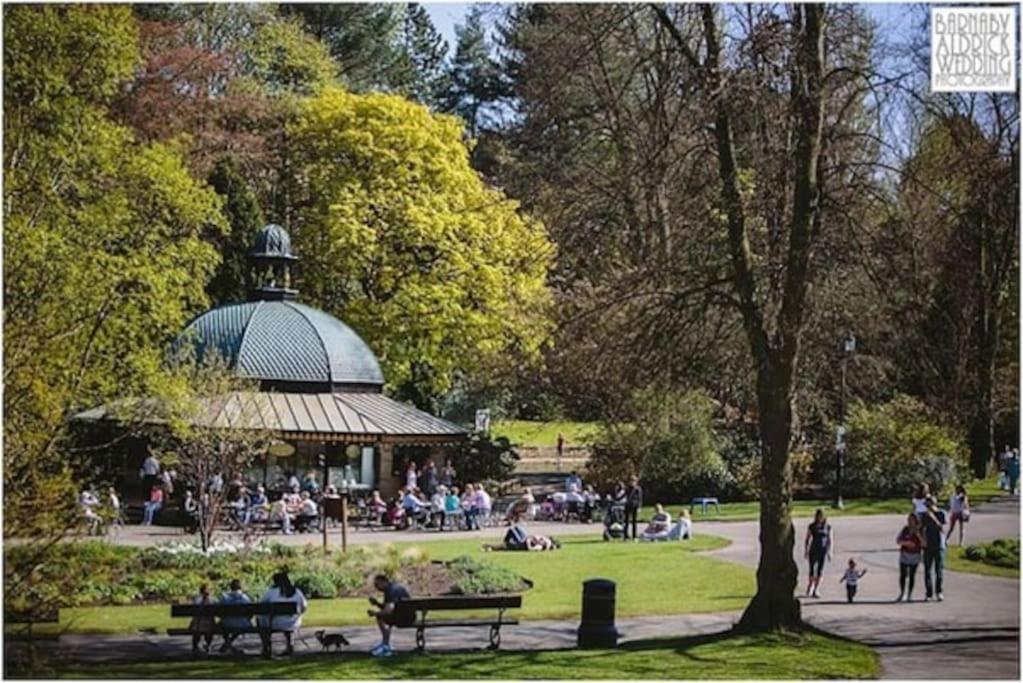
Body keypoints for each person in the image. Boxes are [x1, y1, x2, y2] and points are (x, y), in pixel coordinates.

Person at [258, 571, 307, 656]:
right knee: (286, 622)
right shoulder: (296, 591)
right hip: (293, 622)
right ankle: (290, 645)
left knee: (260, 621)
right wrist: (299, 614)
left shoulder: (271, 592)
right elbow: (304, 606)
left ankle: (266, 647)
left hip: (275, 623)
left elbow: (262, 605)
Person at [368, 573, 411, 657]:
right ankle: (385, 644)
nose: (376, 588)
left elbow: (388, 611)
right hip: (409, 616)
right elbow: (389, 608)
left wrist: (375, 613)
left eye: (377, 585)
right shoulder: (394, 587)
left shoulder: (391, 590)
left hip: (405, 619)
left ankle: (386, 645)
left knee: (380, 617)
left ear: (383, 582)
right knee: (384, 617)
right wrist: (377, 604)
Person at [920, 495, 946, 601]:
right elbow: (921, 528)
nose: (927, 507)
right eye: (926, 505)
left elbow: (941, 528)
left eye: (928, 505)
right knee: (927, 570)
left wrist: (933, 517)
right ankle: (929, 593)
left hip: (939, 545)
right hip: (928, 545)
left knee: (938, 570)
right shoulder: (924, 516)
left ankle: (939, 591)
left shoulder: (940, 514)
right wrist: (922, 540)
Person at [804, 509, 833, 598]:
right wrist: (806, 550)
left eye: (822, 516)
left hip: (822, 550)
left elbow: (829, 540)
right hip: (813, 550)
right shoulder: (812, 526)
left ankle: (816, 589)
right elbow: (807, 539)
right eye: (818, 516)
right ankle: (810, 586)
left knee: (820, 570)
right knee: (812, 570)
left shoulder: (827, 527)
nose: (820, 518)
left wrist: (829, 552)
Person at [218, 578, 252, 654]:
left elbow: (219, 613)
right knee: (239, 625)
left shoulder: (225, 598)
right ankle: (228, 644)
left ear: (231, 587)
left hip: (226, 623)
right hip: (243, 624)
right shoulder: (245, 598)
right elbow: (250, 613)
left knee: (220, 625)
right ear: (240, 587)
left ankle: (227, 644)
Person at [896, 512, 925, 602]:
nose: (909, 522)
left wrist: (918, 535)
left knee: (912, 575)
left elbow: (924, 543)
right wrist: (906, 543)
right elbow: (898, 541)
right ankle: (902, 593)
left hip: (915, 555)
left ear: (916, 521)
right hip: (905, 554)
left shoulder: (920, 530)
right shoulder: (905, 529)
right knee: (903, 575)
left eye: (911, 520)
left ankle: (910, 594)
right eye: (908, 520)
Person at [190, 584, 216, 655]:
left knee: (196, 626)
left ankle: (195, 647)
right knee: (210, 625)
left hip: (197, 626)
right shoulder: (213, 600)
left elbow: (193, 614)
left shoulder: (196, 600)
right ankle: (208, 644)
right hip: (209, 626)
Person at [624, 476, 642, 540]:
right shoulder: (627, 489)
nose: (632, 483)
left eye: (633, 481)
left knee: (634, 522)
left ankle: (634, 536)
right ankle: (626, 536)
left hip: (635, 506)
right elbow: (624, 496)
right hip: (628, 506)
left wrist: (639, 507)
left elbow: (640, 499)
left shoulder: (638, 489)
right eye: (631, 481)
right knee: (626, 521)